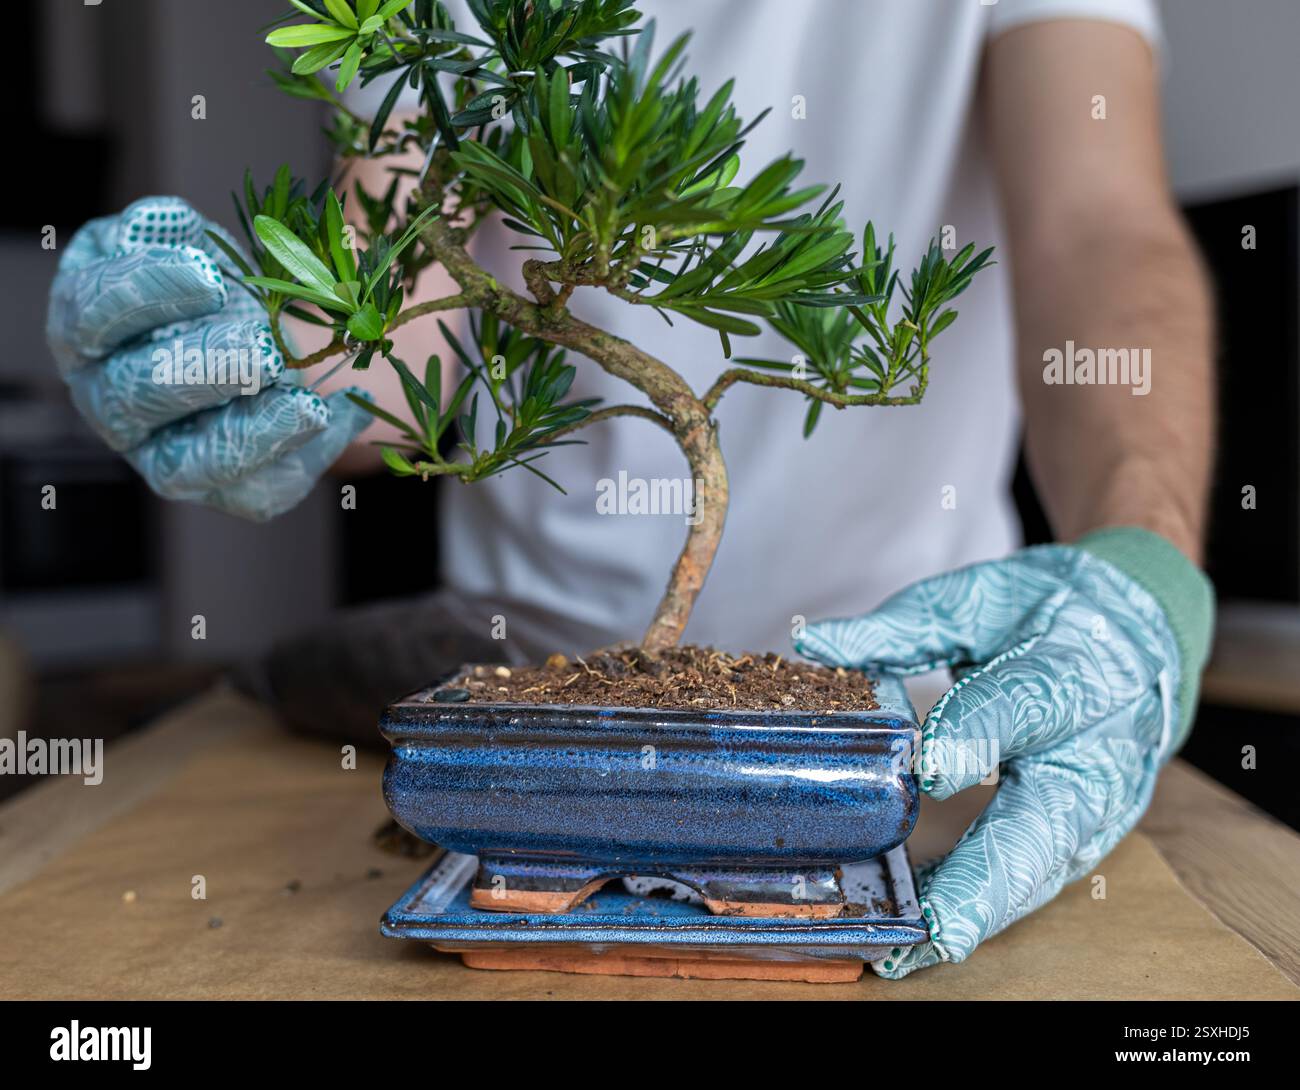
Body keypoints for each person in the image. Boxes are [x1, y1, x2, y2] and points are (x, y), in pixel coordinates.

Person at [45, 0, 1215, 978]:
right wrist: (243, 355)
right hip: (529, 675)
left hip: (905, 691)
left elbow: (1097, 229)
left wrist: (1142, 560)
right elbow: (391, 325)